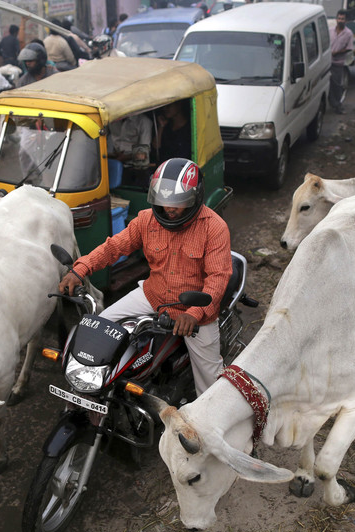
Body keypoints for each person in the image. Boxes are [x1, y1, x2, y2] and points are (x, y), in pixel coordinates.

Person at [58, 158, 231, 394]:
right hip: (153, 294)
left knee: (210, 383)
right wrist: (80, 269)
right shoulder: (147, 220)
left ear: (195, 198)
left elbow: (218, 278)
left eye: (178, 203)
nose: (169, 209)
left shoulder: (214, 227)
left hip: (195, 313)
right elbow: (113, 247)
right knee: (99, 329)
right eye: (163, 201)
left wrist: (194, 313)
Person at [329, 10, 354, 114]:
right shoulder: (330, 30)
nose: (340, 21)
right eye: (339, 18)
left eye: (342, 19)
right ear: (336, 19)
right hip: (327, 62)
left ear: (346, 20)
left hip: (338, 63)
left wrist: (337, 52)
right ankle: (330, 103)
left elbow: (349, 48)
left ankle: (338, 105)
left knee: (336, 85)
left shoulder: (348, 34)